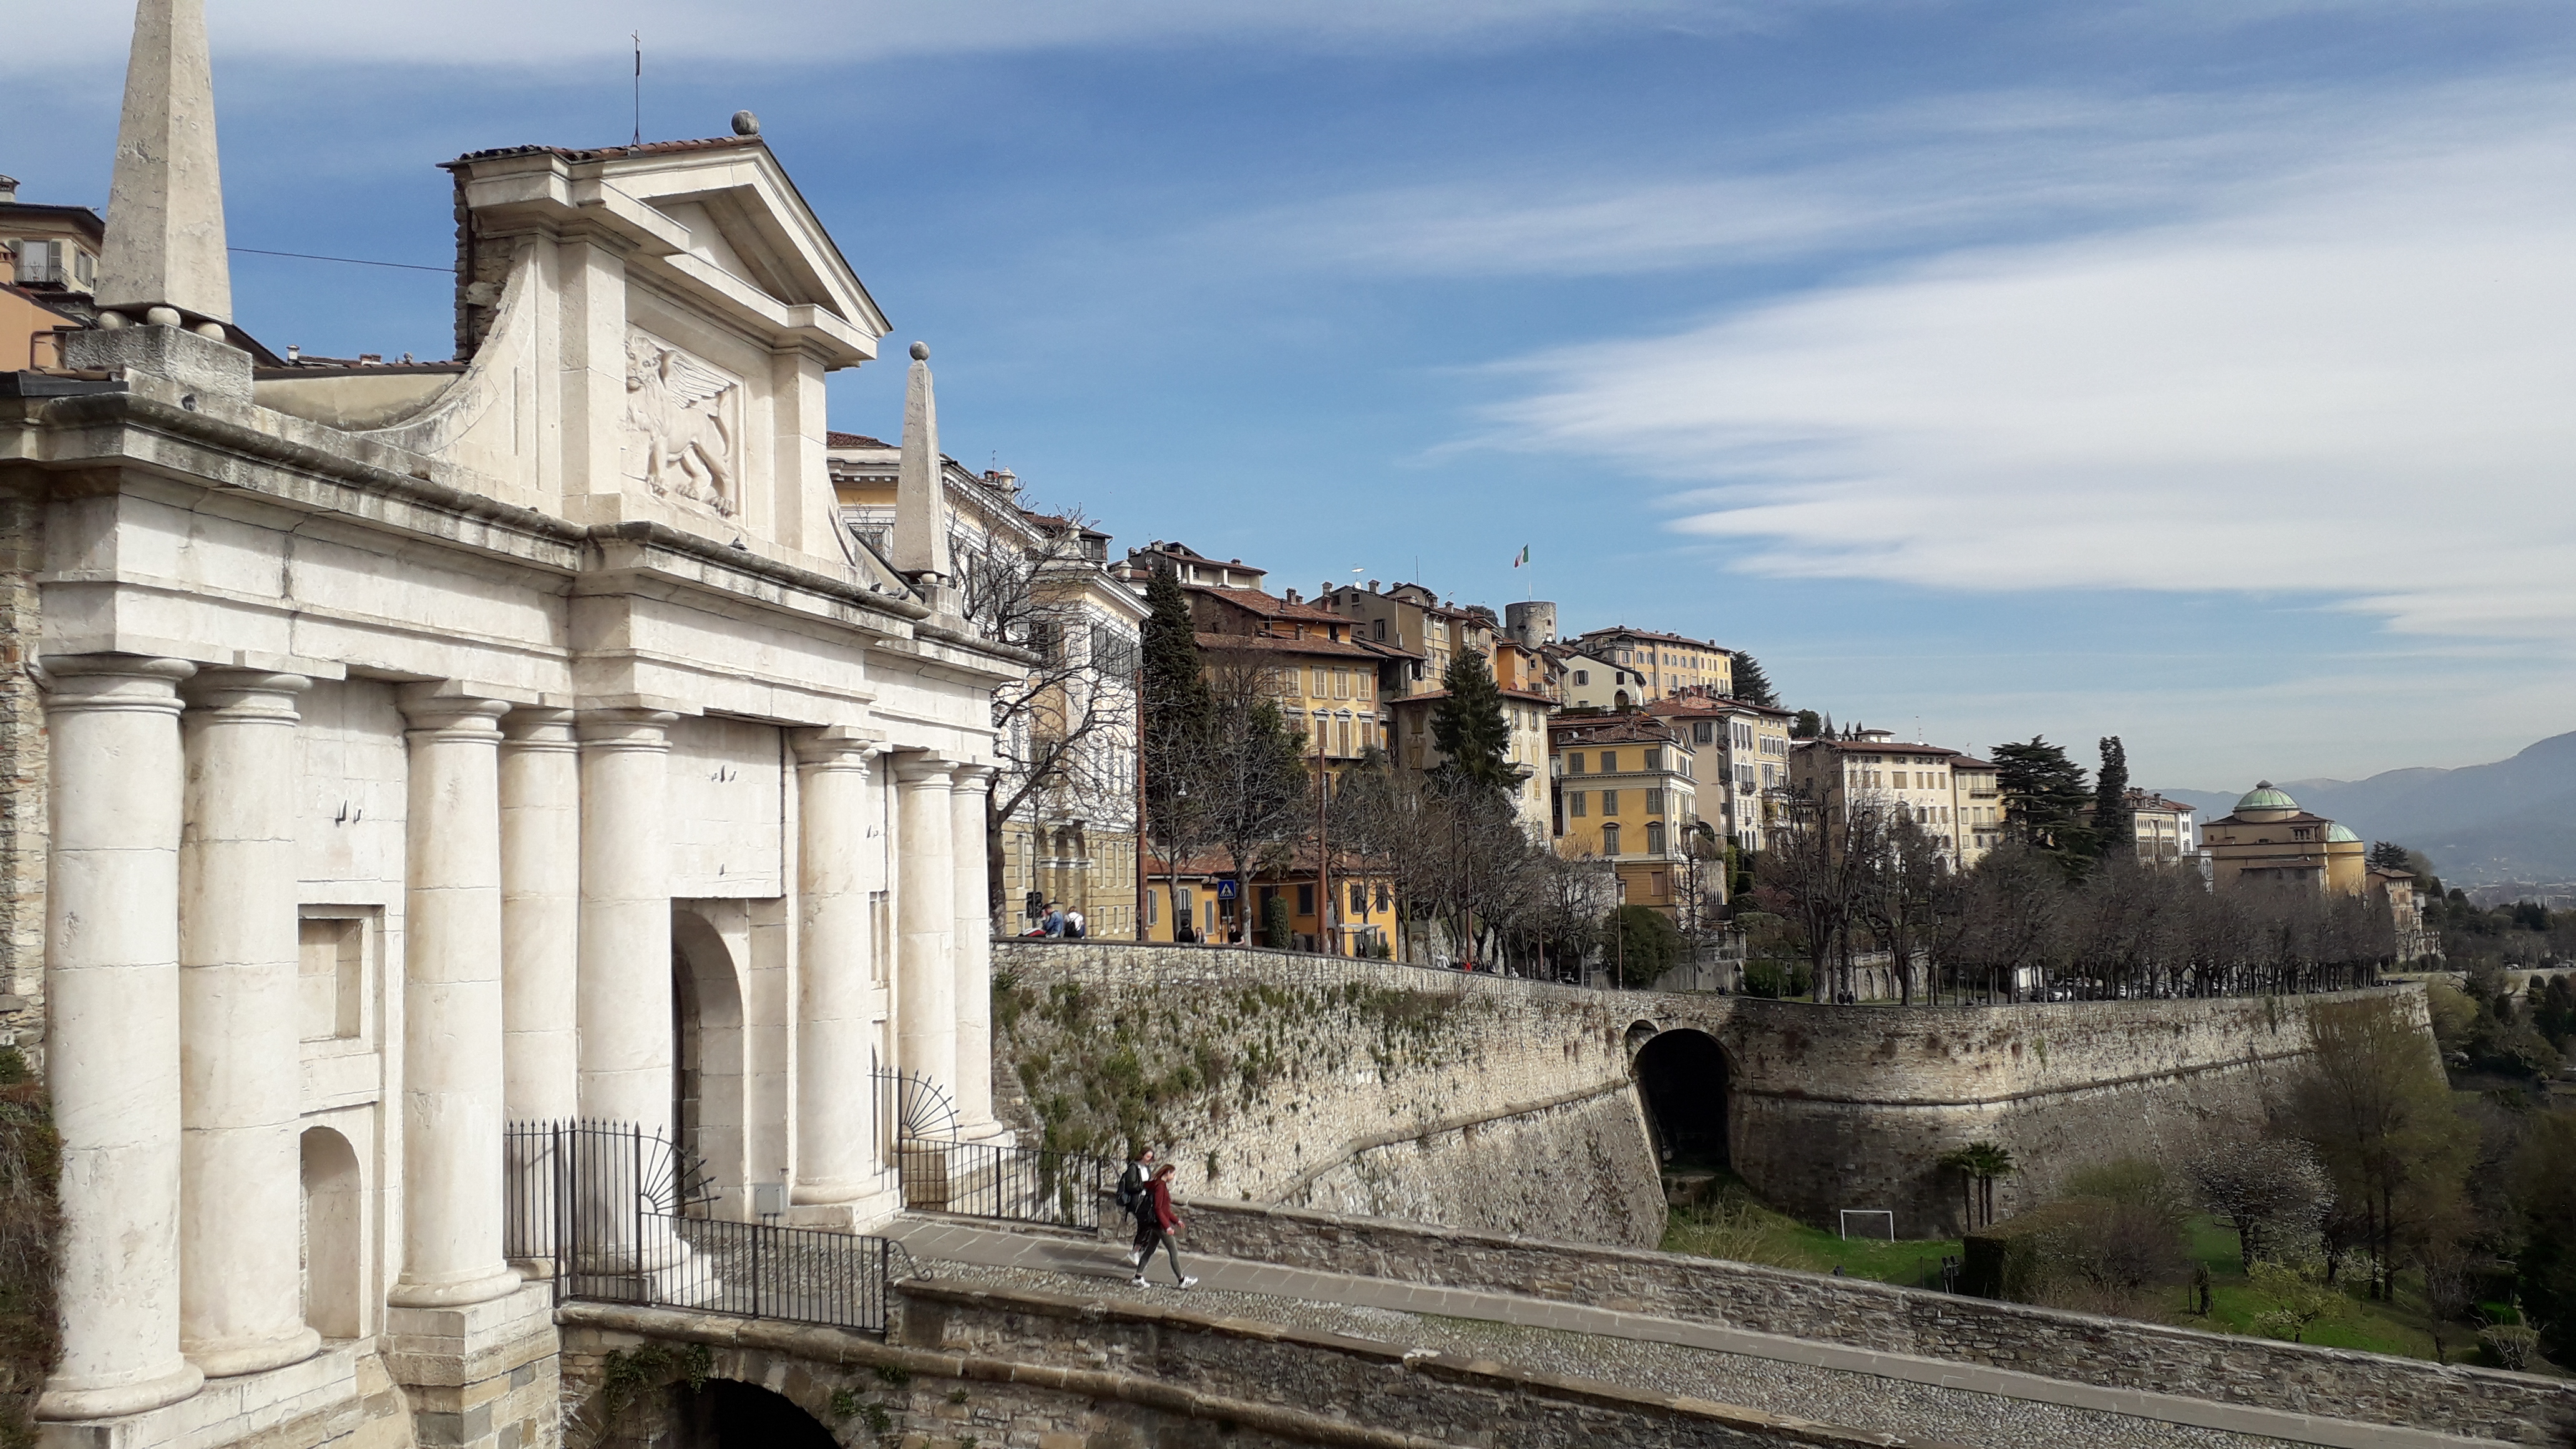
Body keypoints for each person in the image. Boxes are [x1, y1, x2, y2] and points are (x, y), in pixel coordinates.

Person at [1131, 1163, 1195, 1289]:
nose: (1174, 1177)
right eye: (1173, 1174)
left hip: (1156, 1224)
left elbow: (1165, 1210)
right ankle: (1182, 1280)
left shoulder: (1157, 1184)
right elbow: (1158, 1208)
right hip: (1160, 1225)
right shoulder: (1160, 1187)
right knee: (1173, 1252)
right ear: (1168, 1173)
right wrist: (1168, 1226)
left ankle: (1138, 1277)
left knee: (1150, 1250)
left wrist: (1177, 1221)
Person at [1115, 1146, 1155, 1264]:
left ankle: (1136, 1251)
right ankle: (1135, 1251)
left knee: (1146, 1226)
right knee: (1145, 1225)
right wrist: (1145, 1185)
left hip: (1145, 1199)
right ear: (1142, 1156)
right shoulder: (1133, 1167)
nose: (1149, 1159)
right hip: (1137, 1202)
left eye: (1151, 1157)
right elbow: (1131, 1185)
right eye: (1148, 1157)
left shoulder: (1147, 1168)